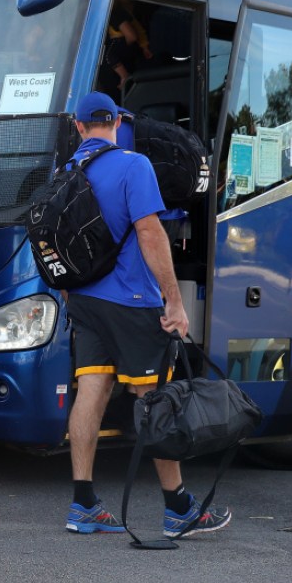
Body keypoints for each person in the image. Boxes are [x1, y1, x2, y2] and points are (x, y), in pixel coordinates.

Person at [60, 91, 231, 538]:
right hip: (133, 302)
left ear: (78, 127)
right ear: (117, 121)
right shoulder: (135, 165)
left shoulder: (65, 171)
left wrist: (69, 293)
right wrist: (173, 300)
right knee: (153, 400)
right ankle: (178, 508)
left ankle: (83, 504)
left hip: (85, 301)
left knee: (91, 390)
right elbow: (151, 233)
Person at [101, 0, 152, 94]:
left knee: (108, 56)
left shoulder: (116, 13)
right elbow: (140, 32)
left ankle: (124, 76)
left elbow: (132, 36)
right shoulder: (125, 14)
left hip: (119, 40)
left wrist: (123, 46)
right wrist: (144, 46)